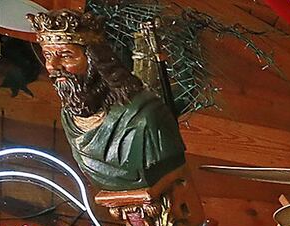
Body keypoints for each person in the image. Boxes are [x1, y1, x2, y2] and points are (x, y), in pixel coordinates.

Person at [29, 10, 186, 193]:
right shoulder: (69, 116)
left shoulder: (145, 115)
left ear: (95, 59)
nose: (52, 66)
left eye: (66, 56)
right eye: (48, 56)